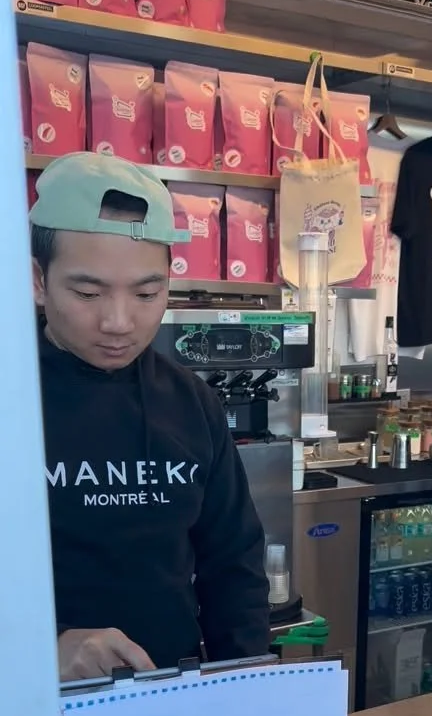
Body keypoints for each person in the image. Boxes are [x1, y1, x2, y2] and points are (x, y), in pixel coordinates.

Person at [31, 152, 270, 681]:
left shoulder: (191, 401)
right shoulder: (14, 398)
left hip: (169, 704)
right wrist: (43, 651)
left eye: (146, 293)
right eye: (87, 292)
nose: (119, 322)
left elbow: (233, 564)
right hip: (31, 708)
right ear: (38, 280)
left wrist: (245, 684)